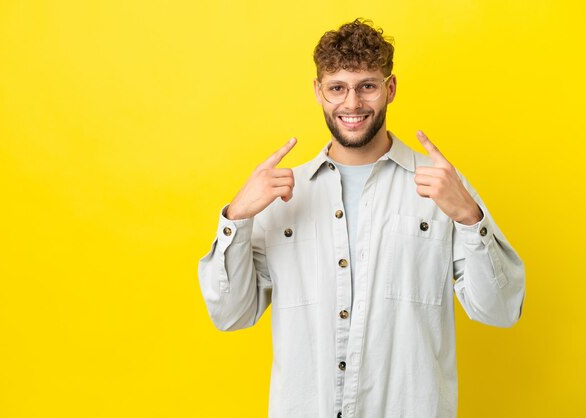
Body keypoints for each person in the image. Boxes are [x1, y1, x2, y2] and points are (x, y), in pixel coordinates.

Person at [198, 18, 525, 418]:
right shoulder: (280, 196)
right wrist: (237, 216)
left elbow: (501, 310)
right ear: (319, 92)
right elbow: (231, 315)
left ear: (389, 89)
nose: (352, 104)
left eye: (367, 86)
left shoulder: (443, 189)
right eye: (337, 88)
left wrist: (470, 218)